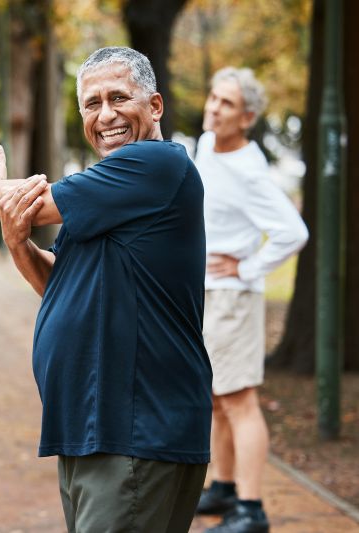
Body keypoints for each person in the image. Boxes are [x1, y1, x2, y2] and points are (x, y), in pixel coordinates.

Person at [0, 46, 212, 532]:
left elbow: (31, 203)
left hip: (136, 427)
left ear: (155, 107)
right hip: (94, 426)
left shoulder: (155, 164)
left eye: (118, 98)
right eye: (91, 103)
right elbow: (60, 281)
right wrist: (16, 241)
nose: (105, 115)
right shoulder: (113, 190)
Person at [193, 67, 308, 533]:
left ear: (247, 117)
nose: (214, 108)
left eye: (227, 104)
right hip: (205, 292)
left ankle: (252, 508)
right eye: (213, 98)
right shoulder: (206, 146)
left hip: (233, 299)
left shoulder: (250, 169)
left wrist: (247, 267)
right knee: (217, 399)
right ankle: (222, 486)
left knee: (240, 401)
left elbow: (292, 232)